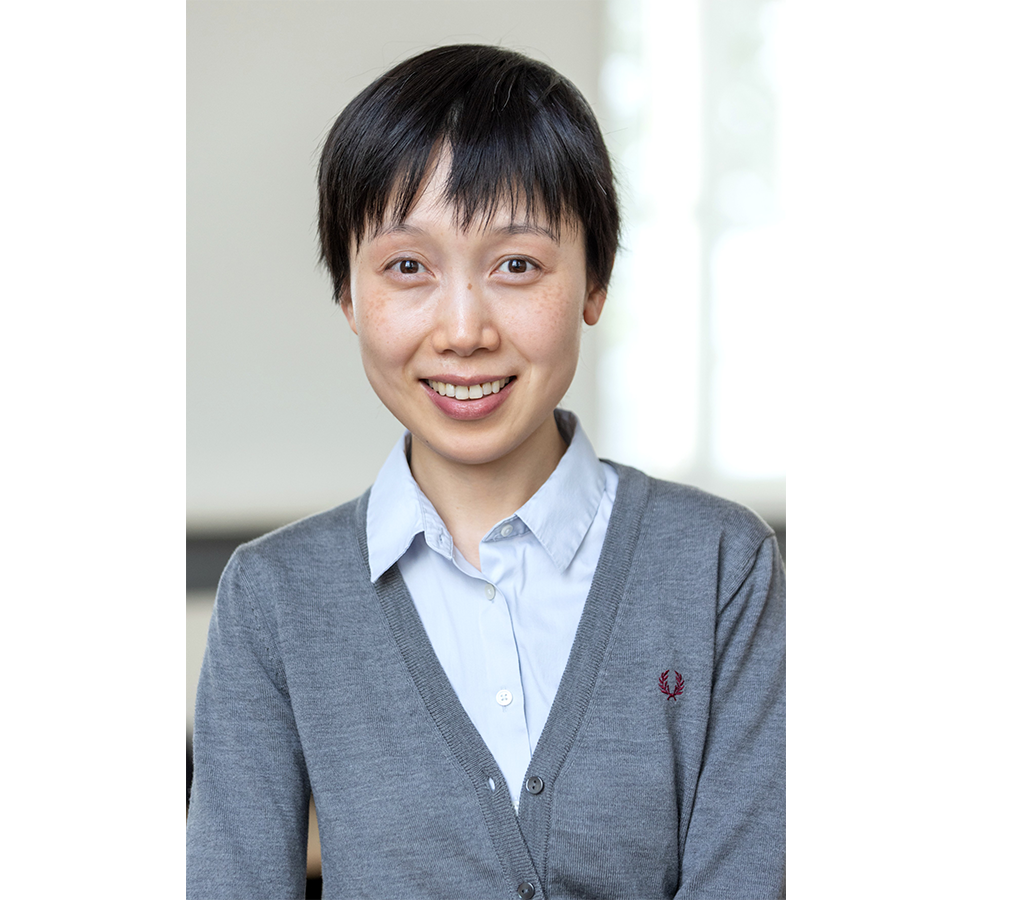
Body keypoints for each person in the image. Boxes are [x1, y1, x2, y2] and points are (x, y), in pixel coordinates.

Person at [187, 44, 784, 900]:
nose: (464, 329)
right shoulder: (275, 600)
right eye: (407, 268)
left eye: (516, 265)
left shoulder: (722, 567)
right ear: (348, 297)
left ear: (595, 282)